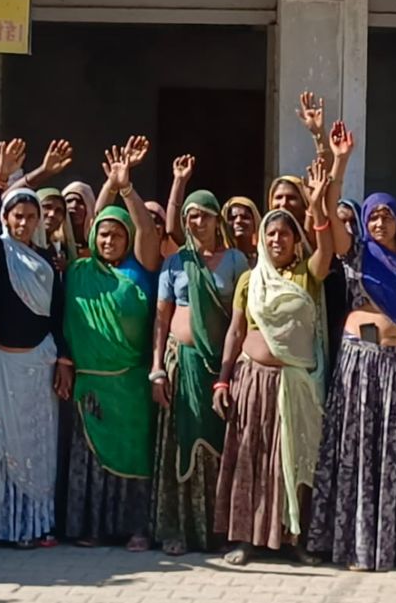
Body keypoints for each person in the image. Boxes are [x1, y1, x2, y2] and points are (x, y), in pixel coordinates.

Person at [213, 146, 340, 565]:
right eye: (270, 234)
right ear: (261, 240)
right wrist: (222, 380)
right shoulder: (250, 279)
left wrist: (318, 203)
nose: (277, 240)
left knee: (296, 459)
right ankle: (245, 539)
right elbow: (236, 331)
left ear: (295, 239)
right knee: (251, 459)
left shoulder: (308, 274)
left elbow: (327, 250)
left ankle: (294, 539)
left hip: (296, 385)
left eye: (284, 234)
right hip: (252, 382)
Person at [309, 121, 396, 571]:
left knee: (392, 455)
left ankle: (392, 545)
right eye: (372, 216)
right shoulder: (356, 252)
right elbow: (332, 211)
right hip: (360, 366)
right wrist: (340, 161)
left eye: (386, 216)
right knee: (358, 453)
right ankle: (356, 545)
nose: (379, 223)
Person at [0, 137, 71, 548]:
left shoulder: (47, 262)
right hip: (2, 365)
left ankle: (37, 525)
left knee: (38, 451)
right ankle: (3, 528)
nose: (24, 222)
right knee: (3, 449)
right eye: (17, 216)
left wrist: (63, 361)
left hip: (38, 368)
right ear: (7, 219)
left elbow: (57, 316)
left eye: (31, 216)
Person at [64, 140, 163, 548]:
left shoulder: (140, 272)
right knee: (91, 458)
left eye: (117, 235)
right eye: (103, 235)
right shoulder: (80, 271)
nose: (108, 240)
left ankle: (137, 529)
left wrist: (127, 189)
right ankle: (92, 528)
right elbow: (95, 219)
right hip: (90, 385)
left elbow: (146, 231)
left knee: (134, 455)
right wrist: (108, 187)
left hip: (130, 386)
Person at [151, 184, 250, 555]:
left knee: (222, 445)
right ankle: (180, 529)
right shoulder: (175, 263)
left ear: (216, 220)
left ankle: (219, 531)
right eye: (191, 216)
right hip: (182, 363)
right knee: (181, 442)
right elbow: (161, 319)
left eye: (205, 215)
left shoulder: (236, 261)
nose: (197, 222)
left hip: (220, 368)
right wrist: (157, 369)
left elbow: (244, 317)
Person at [224, 196, 262, 264]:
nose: (238, 221)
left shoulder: (264, 255)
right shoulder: (219, 258)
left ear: (255, 222)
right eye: (232, 218)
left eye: (245, 217)